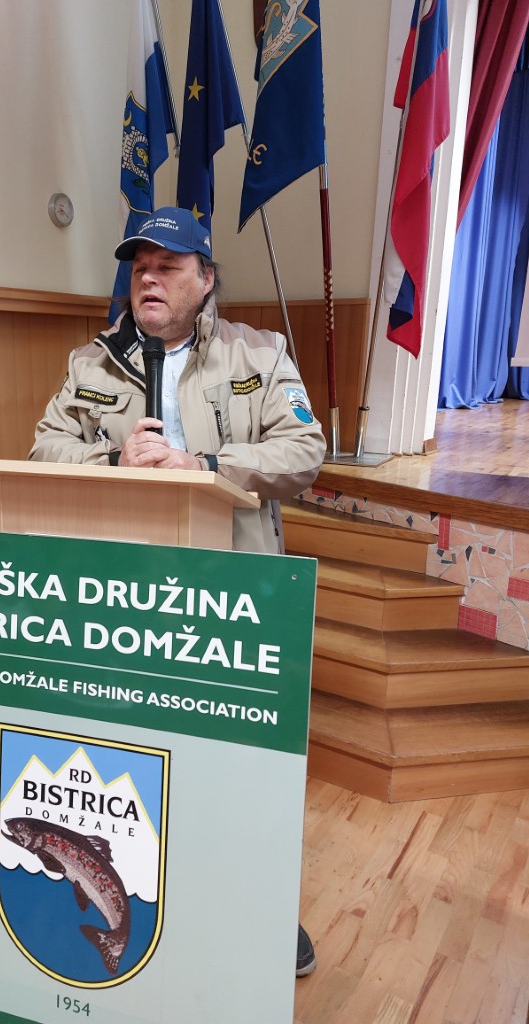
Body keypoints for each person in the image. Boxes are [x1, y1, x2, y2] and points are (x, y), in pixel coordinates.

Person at [29, 206, 325, 976]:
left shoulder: (259, 354)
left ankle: (259, 902)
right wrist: (111, 461)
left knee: (240, 763)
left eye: (167, 267)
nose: (149, 279)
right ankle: (148, 897)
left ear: (206, 279)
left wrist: (206, 465)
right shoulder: (91, 364)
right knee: (140, 759)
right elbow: (44, 448)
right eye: (139, 268)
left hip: (231, 590)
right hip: (124, 598)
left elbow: (303, 451)